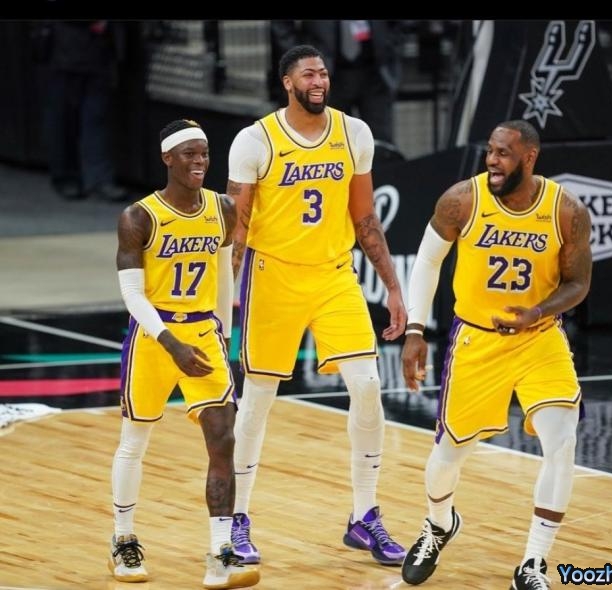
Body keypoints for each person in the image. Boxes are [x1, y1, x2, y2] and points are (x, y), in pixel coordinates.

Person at [226, 44, 408, 567]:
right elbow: (237, 226)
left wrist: (393, 287)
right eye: (308, 74)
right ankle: (236, 517)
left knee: (368, 388)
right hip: (273, 277)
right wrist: (223, 298)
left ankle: (364, 515)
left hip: (334, 276)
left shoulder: (355, 133)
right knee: (258, 400)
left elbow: (365, 219)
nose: (319, 81)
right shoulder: (254, 140)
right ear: (287, 82)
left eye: (324, 73)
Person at [400, 120, 592, 589]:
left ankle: (533, 563)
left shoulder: (566, 211)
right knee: (447, 456)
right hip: (477, 340)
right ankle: (438, 524)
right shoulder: (462, 200)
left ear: (529, 157)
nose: (492, 160)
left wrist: (538, 312)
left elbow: (578, 283)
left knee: (562, 443)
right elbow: (428, 261)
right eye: (490, 151)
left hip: (539, 338)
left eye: (503, 153)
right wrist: (415, 329)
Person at [109, 119, 259, 589]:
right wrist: (169, 341)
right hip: (154, 337)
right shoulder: (139, 217)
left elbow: (225, 276)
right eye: (190, 154)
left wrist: (226, 338)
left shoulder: (223, 208)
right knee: (135, 440)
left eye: (205, 154)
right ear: (167, 158)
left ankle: (220, 553)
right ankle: (123, 538)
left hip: (203, 331)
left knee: (223, 438)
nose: (200, 162)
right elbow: (132, 295)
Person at [269, 21, 404, 157]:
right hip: (325, 74)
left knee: (380, 148)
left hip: (375, 72)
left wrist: (391, 43)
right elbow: (281, 25)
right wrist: (299, 57)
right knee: (329, 148)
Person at [42, 21, 129, 201]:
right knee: (66, 120)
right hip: (68, 50)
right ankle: (73, 176)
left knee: (94, 120)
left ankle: (95, 179)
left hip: (94, 52)